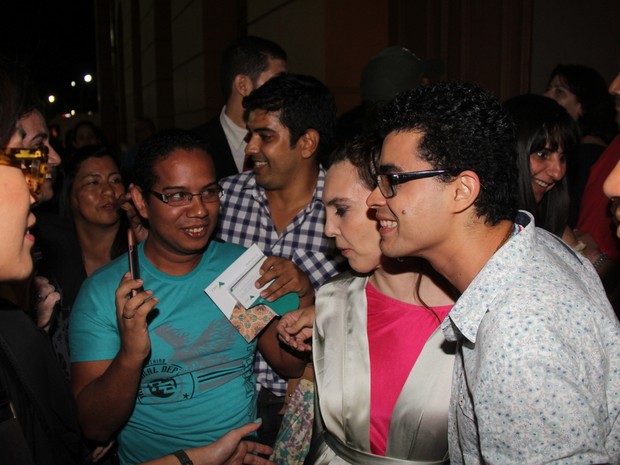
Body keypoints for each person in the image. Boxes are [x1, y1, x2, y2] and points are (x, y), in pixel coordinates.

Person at [366, 81, 620, 464]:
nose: (373, 199)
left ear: (462, 191)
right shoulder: (538, 246)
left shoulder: (517, 335)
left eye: (392, 181)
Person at [69, 129, 305, 465]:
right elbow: (94, 427)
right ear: (140, 201)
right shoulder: (106, 291)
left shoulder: (238, 268)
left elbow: (287, 363)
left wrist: (297, 299)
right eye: (177, 196)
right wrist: (131, 355)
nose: (199, 210)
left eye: (208, 192)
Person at [277, 136, 456, 463]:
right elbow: (308, 427)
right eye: (325, 212)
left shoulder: (472, 312)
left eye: (342, 210)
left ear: (387, 203)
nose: (329, 229)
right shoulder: (332, 301)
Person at [216, 73, 344, 447]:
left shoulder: (345, 210)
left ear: (306, 143)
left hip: (310, 403)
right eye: (249, 134)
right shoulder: (223, 199)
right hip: (227, 399)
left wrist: (309, 295)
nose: (250, 147)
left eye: (265, 136)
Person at [35, 145, 129, 378]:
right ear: (71, 195)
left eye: (115, 180)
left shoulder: (139, 253)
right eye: (93, 182)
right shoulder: (48, 256)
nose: (108, 191)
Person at [503, 94, 614, 280]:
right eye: (542, 154)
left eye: (563, 158)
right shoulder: (479, 220)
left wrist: (595, 257)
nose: (558, 172)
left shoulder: (550, 219)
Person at [193, 36, 287, 179]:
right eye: (277, 83)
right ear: (243, 85)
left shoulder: (288, 140)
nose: (285, 92)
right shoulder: (194, 146)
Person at [544, 64, 618, 225]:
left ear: (582, 106)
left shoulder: (589, 154)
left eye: (559, 92)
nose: (547, 95)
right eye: (549, 88)